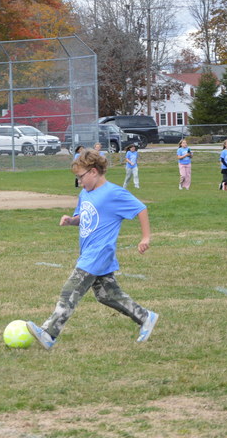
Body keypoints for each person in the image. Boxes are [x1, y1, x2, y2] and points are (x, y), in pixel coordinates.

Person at [25, 148, 159, 349]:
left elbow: (141, 208)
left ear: (94, 172)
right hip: (88, 252)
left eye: (81, 177)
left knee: (70, 290)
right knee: (107, 295)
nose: (79, 181)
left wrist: (145, 237)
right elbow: (85, 218)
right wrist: (71, 221)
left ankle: (48, 333)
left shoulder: (113, 193)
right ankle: (145, 316)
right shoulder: (85, 193)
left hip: (99, 253)